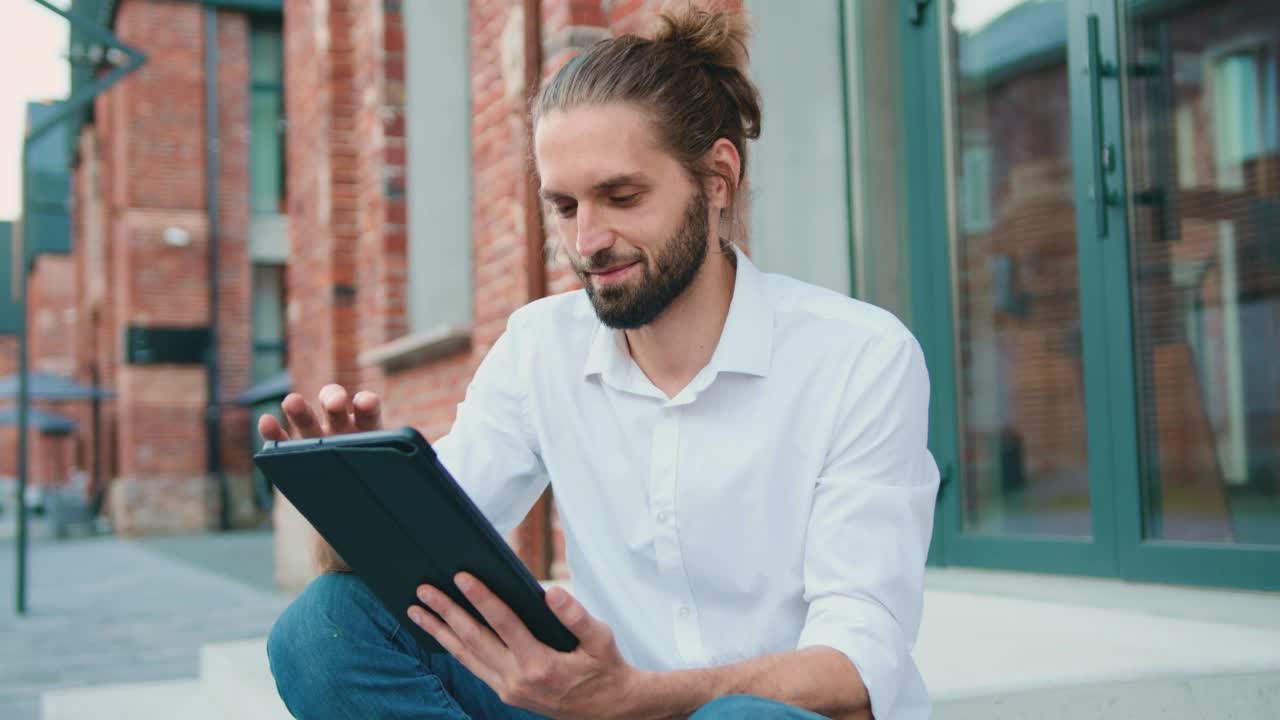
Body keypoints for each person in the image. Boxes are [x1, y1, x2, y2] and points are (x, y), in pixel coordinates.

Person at [262, 7, 938, 719]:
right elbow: (420, 560)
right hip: (591, 707)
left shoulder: (860, 355)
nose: (588, 240)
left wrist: (634, 697)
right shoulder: (538, 346)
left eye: (622, 197)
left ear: (716, 179)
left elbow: (857, 670)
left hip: (764, 712)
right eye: (564, 206)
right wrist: (350, 507)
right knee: (323, 626)